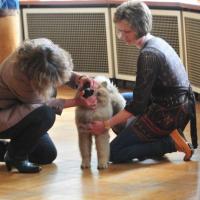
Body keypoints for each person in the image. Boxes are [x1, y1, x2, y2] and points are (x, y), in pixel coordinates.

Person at [86, 0, 198, 163]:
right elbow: (141, 97)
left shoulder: (149, 55)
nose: (122, 37)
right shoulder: (156, 41)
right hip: (172, 104)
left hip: (170, 113)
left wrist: (105, 125)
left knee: (111, 154)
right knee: (115, 102)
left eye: (127, 32)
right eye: (120, 31)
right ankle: (147, 141)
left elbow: (137, 106)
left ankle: (169, 143)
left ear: (140, 28)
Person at [0, 38, 97, 173]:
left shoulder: (44, 47)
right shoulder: (16, 74)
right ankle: (15, 158)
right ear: (37, 76)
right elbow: (42, 105)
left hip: (20, 110)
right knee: (46, 114)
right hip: (4, 114)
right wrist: (76, 102)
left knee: (45, 154)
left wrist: (78, 78)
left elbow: (56, 69)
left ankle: (8, 150)